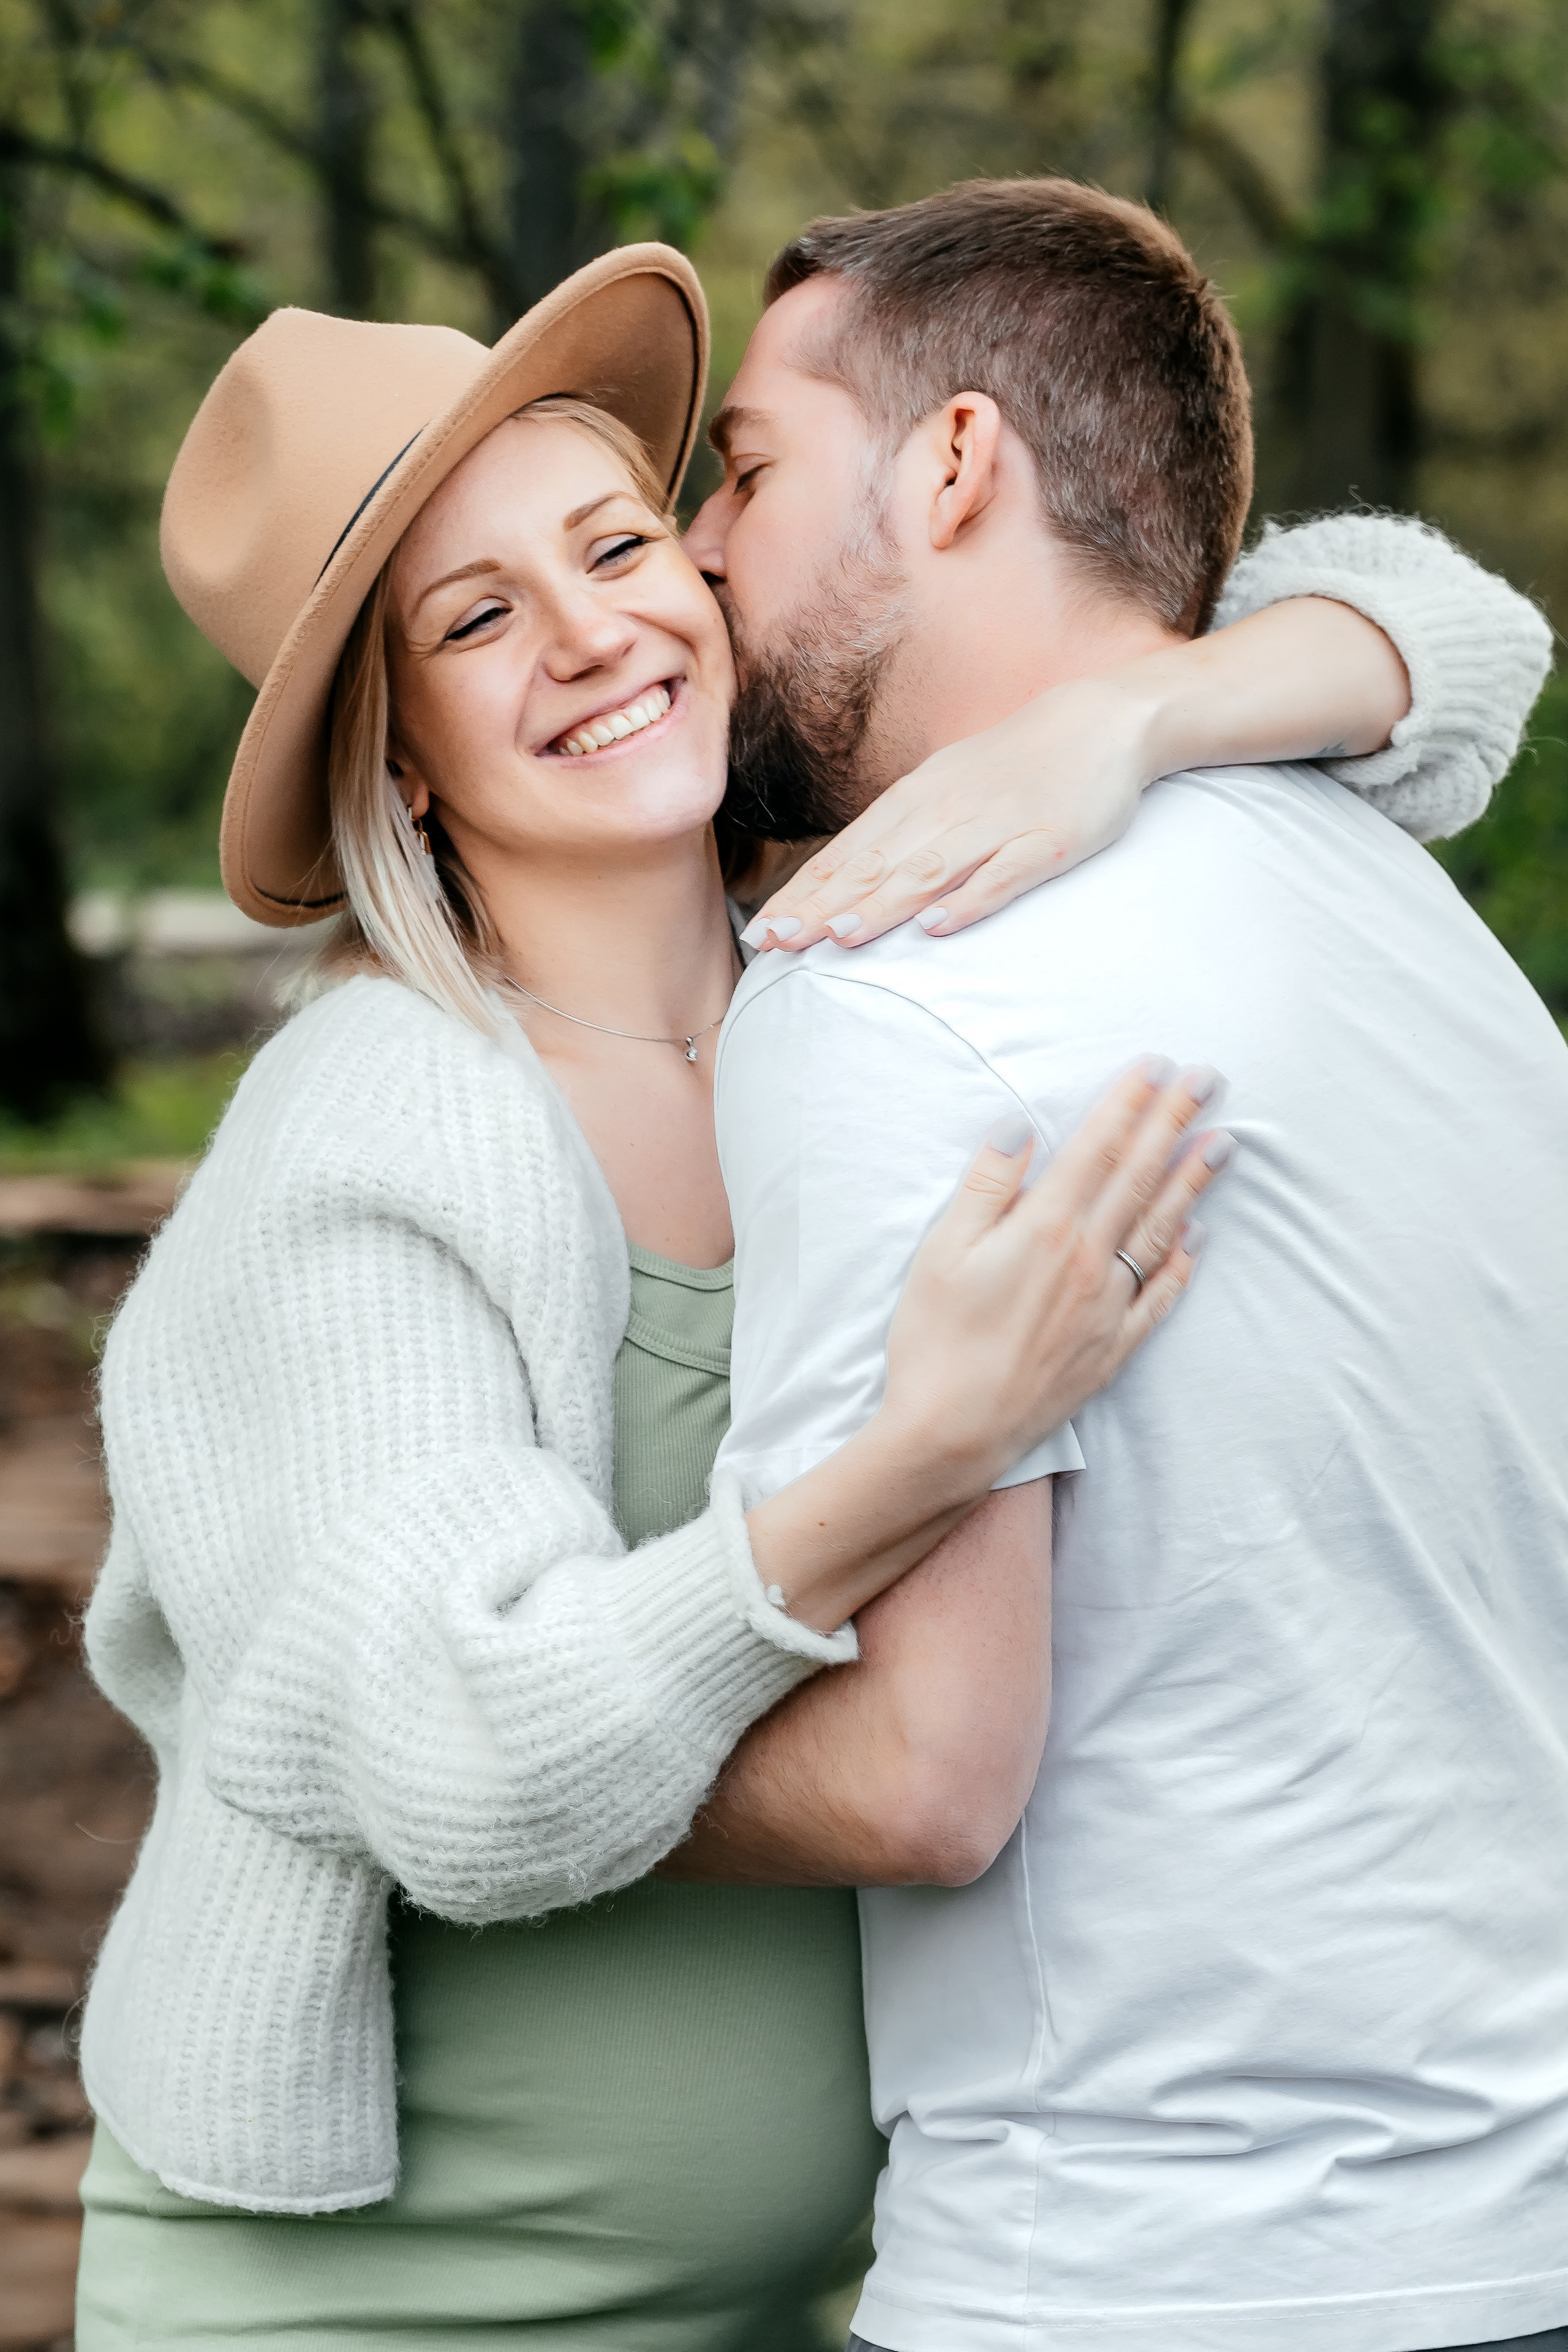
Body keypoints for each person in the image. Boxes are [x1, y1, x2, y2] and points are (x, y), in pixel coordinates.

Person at [74, 235, 1545, 2348]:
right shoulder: (381, 1123)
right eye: (479, 620)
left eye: (622, 541)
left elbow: (1467, 633)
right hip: (400, 2305)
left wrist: (1133, 710)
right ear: (399, 762)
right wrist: (910, 1459)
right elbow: (456, 1750)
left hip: (791, 2301)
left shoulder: (850, 959)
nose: (597, 632)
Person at [672, 179, 1568, 2352]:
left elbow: (918, 1775)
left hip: (1149, 2273)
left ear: (957, 463)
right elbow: (1459, 631)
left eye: (754, 470)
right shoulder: (1413, 915)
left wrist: (452, 1759)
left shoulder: (880, 980)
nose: (703, 551)